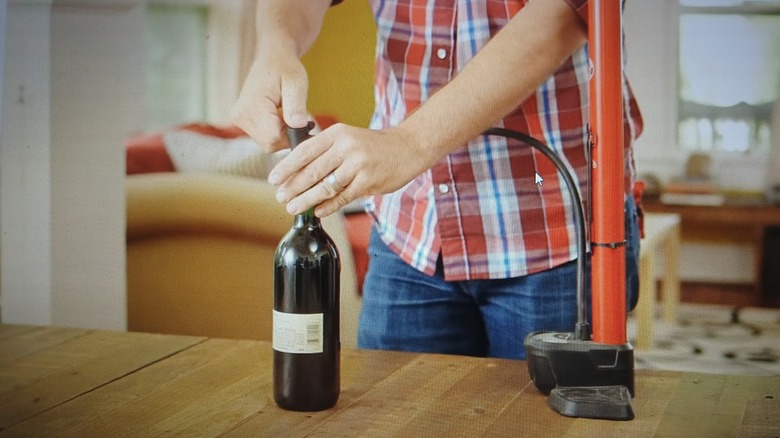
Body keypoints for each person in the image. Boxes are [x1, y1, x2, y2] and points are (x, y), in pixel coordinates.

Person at [233, 0, 643, 360]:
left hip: (553, 230)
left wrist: (408, 144)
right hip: (410, 231)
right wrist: (276, 46)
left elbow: (565, 12)